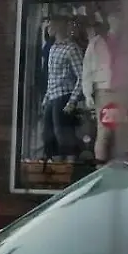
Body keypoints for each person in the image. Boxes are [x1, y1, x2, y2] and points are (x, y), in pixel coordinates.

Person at [42, 14, 86, 161]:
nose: (48, 27)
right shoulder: (52, 47)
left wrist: (72, 101)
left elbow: (82, 76)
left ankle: (71, 170)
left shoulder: (72, 48)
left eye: (52, 24)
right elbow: (52, 76)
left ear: (59, 26)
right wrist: (46, 97)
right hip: (52, 96)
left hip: (64, 95)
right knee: (48, 135)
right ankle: (55, 170)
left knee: (63, 136)